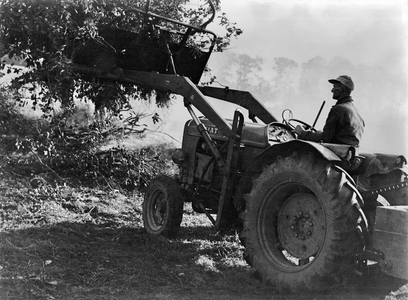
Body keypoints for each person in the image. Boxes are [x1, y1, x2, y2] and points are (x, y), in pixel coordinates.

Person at [294, 75, 365, 147]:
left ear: (340, 88)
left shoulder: (339, 109)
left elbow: (326, 138)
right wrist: (315, 133)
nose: (332, 90)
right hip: (348, 153)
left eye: (334, 87)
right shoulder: (356, 110)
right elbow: (335, 135)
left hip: (338, 152)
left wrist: (302, 133)